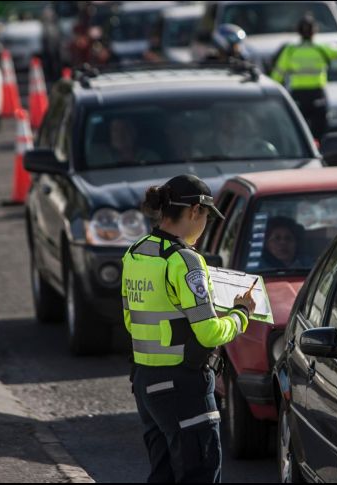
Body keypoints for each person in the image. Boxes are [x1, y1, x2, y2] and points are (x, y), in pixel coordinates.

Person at [122, 174, 256, 483]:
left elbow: (132, 320)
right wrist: (241, 314)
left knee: (163, 474)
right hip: (181, 383)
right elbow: (209, 333)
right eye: (207, 217)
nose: (205, 225)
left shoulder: (136, 252)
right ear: (194, 211)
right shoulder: (184, 261)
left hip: (145, 381)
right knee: (200, 472)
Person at [271, 14, 337, 140]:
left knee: (299, 132)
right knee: (319, 132)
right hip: (317, 95)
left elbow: (277, 75)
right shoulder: (321, 49)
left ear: (298, 31)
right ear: (315, 31)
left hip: (298, 96)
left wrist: (272, 93)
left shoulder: (290, 51)